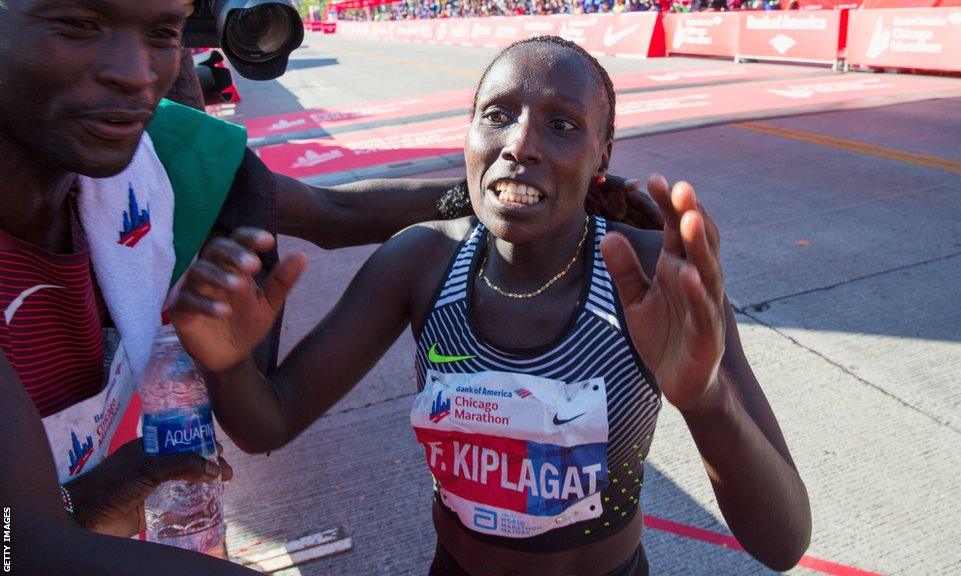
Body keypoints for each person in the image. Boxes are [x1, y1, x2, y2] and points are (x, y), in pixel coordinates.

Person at [0, 0, 658, 571]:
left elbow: (335, 213)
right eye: (79, 21)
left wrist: (527, 196)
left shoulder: (160, 150)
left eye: (162, 32)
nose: (136, 72)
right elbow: (20, 547)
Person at [172, 36, 812, 575]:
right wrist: (228, 365)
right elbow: (267, 421)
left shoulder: (653, 279)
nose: (521, 143)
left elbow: (782, 543)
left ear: (603, 154)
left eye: (562, 124)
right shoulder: (420, 261)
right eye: (497, 115)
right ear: (470, 134)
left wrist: (706, 401)